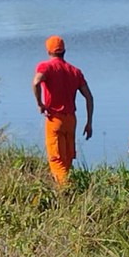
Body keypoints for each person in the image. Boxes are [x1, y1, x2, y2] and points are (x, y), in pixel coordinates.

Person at [32, 35, 94, 186]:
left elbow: (36, 82)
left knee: (57, 160)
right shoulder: (74, 71)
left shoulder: (46, 67)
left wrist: (40, 103)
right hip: (71, 120)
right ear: (64, 51)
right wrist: (89, 123)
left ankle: (65, 192)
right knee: (67, 159)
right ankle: (68, 190)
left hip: (55, 119)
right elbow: (89, 97)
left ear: (49, 51)